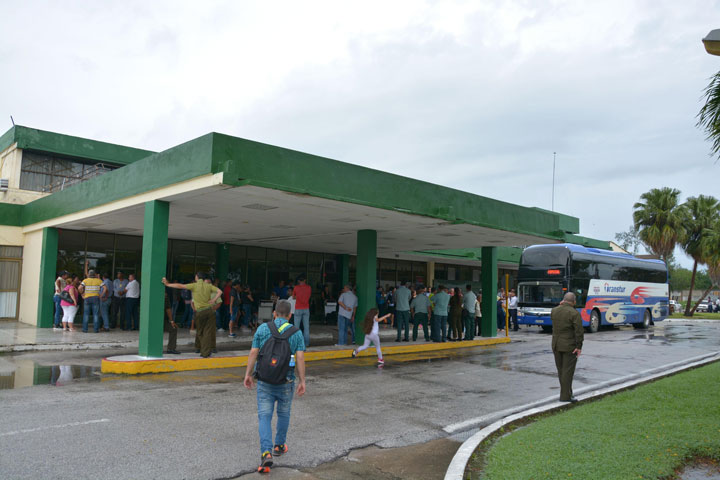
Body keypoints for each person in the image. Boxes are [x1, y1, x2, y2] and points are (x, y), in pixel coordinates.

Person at [243, 300, 306, 474]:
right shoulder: (296, 332)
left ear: (274, 313)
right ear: (290, 315)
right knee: (284, 413)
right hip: (286, 381)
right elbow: (299, 358)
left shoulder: (263, 329)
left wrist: (248, 374)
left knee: (264, 416)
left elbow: (253, 352)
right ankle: (279, 445)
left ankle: (266, 452)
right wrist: (302, 380)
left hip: (264, 381)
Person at [162, 273, 222, 358]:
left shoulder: (194, 285)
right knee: (208, 332)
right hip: (209, 311)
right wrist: (213, 300)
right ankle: (206, 352)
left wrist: (168, 284)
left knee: (200, 332)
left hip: (200, 312)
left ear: (197, 278)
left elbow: (180, 286)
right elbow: (220, 291)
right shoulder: (208, 286)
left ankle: (203, 351)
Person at [551, 292, 584, 403]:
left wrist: (560, 305)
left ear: (563, 300)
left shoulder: (554, 311)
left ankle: (567, 393)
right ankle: (565, 396)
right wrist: (579, 346)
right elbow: (579, 332)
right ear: (574, 302)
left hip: (556, 344)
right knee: (567, 372)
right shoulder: (574, 313)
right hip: (569, 346)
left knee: (561, 371)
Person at [80, 265, 103, 333]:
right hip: (95, 298)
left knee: (86, 314)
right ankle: (96, 329)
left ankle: (85, 329)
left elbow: (79, 288)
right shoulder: (99, 280)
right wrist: (101, 295)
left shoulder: (85, 280)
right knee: (96, 314)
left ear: (89, 275)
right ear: (95, 274)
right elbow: (105, 288)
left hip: (87, 298)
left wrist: (82, 294)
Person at [293, 275, 312, 347]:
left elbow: (293, 297)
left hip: (298, 308)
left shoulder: (296, 288)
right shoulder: (309, 287)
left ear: (298, 281)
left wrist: (297, 297)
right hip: (306, 308)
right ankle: (306, 343)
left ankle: (296, 343)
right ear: (305, 280)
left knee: (296, 327)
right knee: (306, 327)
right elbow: (309, 296)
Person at [164, 290, 180, 354]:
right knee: (173, 329)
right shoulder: (164, 297)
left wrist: (171, 321)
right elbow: (168, 309)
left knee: (173, 329)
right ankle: (171, 348)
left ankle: (171, 348)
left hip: (161, 321)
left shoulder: (165, 297)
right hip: (158, 321)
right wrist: (171, 321)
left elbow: (168, 309)